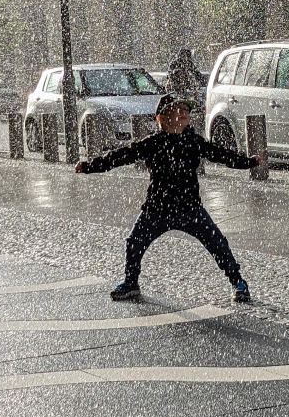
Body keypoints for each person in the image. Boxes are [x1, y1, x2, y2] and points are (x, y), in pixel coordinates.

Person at [75, 93, 264, 303]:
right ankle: (131, 283)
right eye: (177, 110)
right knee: (134, 243)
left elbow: (220, 155)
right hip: (157, 208)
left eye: (186, 111)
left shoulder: (193, 141)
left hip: (189, 208)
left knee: (217, 243)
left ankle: (238, 282)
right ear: (162, 118)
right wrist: (89, 166)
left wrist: (248, 162)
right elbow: (121, 156)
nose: (183, 114)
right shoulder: (153, 143)